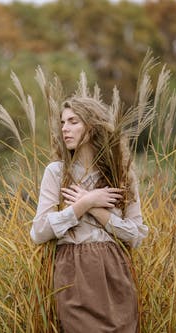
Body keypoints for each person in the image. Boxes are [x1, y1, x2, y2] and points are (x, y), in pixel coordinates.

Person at [30, 96, 149, 332]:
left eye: (73, 121)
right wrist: (82, 205)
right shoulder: (56, 172)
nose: (65, 128)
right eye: (63, 122)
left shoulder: (122, 174)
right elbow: (38, 232)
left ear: (92, 126)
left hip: (115, 271)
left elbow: (136, 236)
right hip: (73, 273)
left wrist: (95, 208)